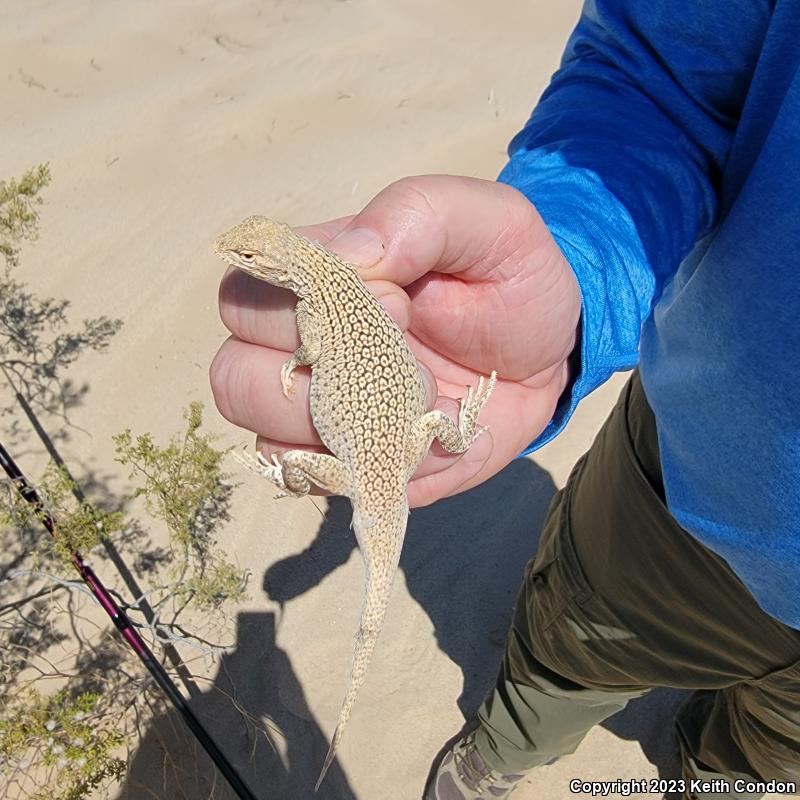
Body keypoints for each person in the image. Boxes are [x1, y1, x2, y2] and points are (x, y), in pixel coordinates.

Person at [210, 1, 800, 798]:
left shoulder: (320, 301)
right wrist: (575, 258)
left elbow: (314, 348)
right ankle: (499, 759)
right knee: (567, 658)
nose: (235, 258)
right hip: (694, 485)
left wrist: (320, 384)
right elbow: (660, 80)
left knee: (765, 763)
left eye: (246, 251)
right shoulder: (329, 289)